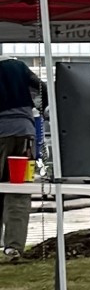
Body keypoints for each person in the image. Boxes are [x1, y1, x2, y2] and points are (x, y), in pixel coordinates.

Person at [0, 55, 43, 262]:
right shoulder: (18, 66)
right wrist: (42, 110)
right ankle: (13, 249)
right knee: (19, 189)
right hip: (25, 134)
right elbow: (43, 88)